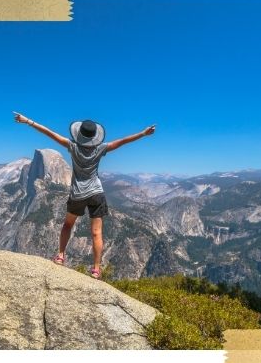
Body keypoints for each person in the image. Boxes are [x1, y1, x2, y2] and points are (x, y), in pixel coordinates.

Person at [13, 112, 155, 279]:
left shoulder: (72, 147)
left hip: (78, 194)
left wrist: (28, 121)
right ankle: (96, 269)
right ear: (95, 136)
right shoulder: (100, 149)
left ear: (79, 134)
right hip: (96, 193)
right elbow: (123, 142)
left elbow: (49, 133)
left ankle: (60, 255)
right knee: (96, 233)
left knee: (67, 225)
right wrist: (143, 134)